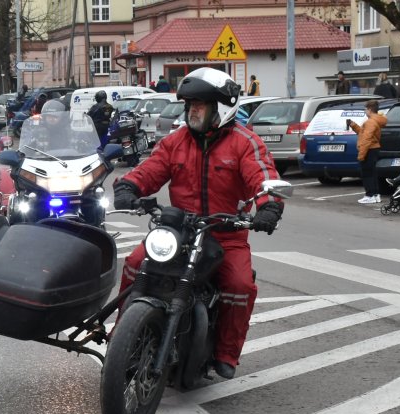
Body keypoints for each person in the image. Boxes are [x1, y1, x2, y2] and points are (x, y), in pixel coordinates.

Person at [113, 67, 283, 380]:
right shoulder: (176, 141)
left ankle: (226, 353)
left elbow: (264, 177)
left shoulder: (244, 143)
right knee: (136, 263)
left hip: (225, 233)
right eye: (190, 105)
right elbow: (150, 169)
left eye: (200, 105)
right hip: (180, 231)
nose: (192, 111)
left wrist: (269, 206)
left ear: (221, 108)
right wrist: (129, 186)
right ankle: (121, 339)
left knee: (239, 285)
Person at [348, 99, 387, 204]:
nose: (365, 111)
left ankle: (369, 195)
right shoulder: (375, 120)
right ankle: (375, 195)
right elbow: (363, 133)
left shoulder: (370, 122)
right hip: (373, 148)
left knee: (367, 173)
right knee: (372, 172)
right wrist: (353, 125)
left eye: (365, 109)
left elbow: (366, 139)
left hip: (369, 149)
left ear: (370, 109)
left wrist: (361, 155)